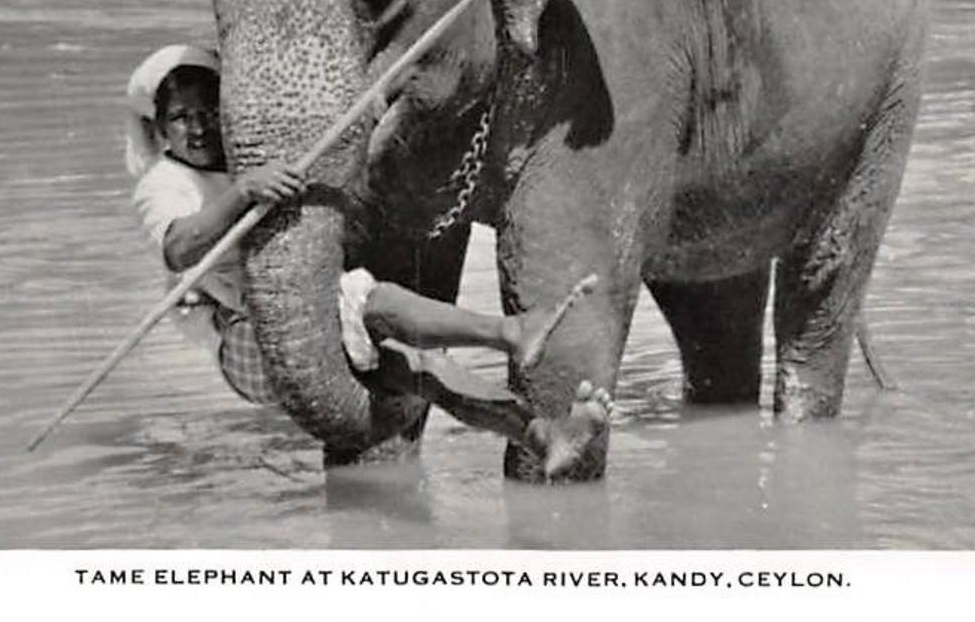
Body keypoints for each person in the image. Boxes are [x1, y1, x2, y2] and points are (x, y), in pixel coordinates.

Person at [125, 44, 611, 475]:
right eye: (182, 118)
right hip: (244, 341)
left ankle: (543, 436)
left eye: (208, 111)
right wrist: (243, 192)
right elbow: (179, 246)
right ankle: (506, 332)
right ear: (160, 129)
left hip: (299, 313)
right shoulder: (163, 184)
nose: (198, 128)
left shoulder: (245, 155)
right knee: (374, 301)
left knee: (419, 370)